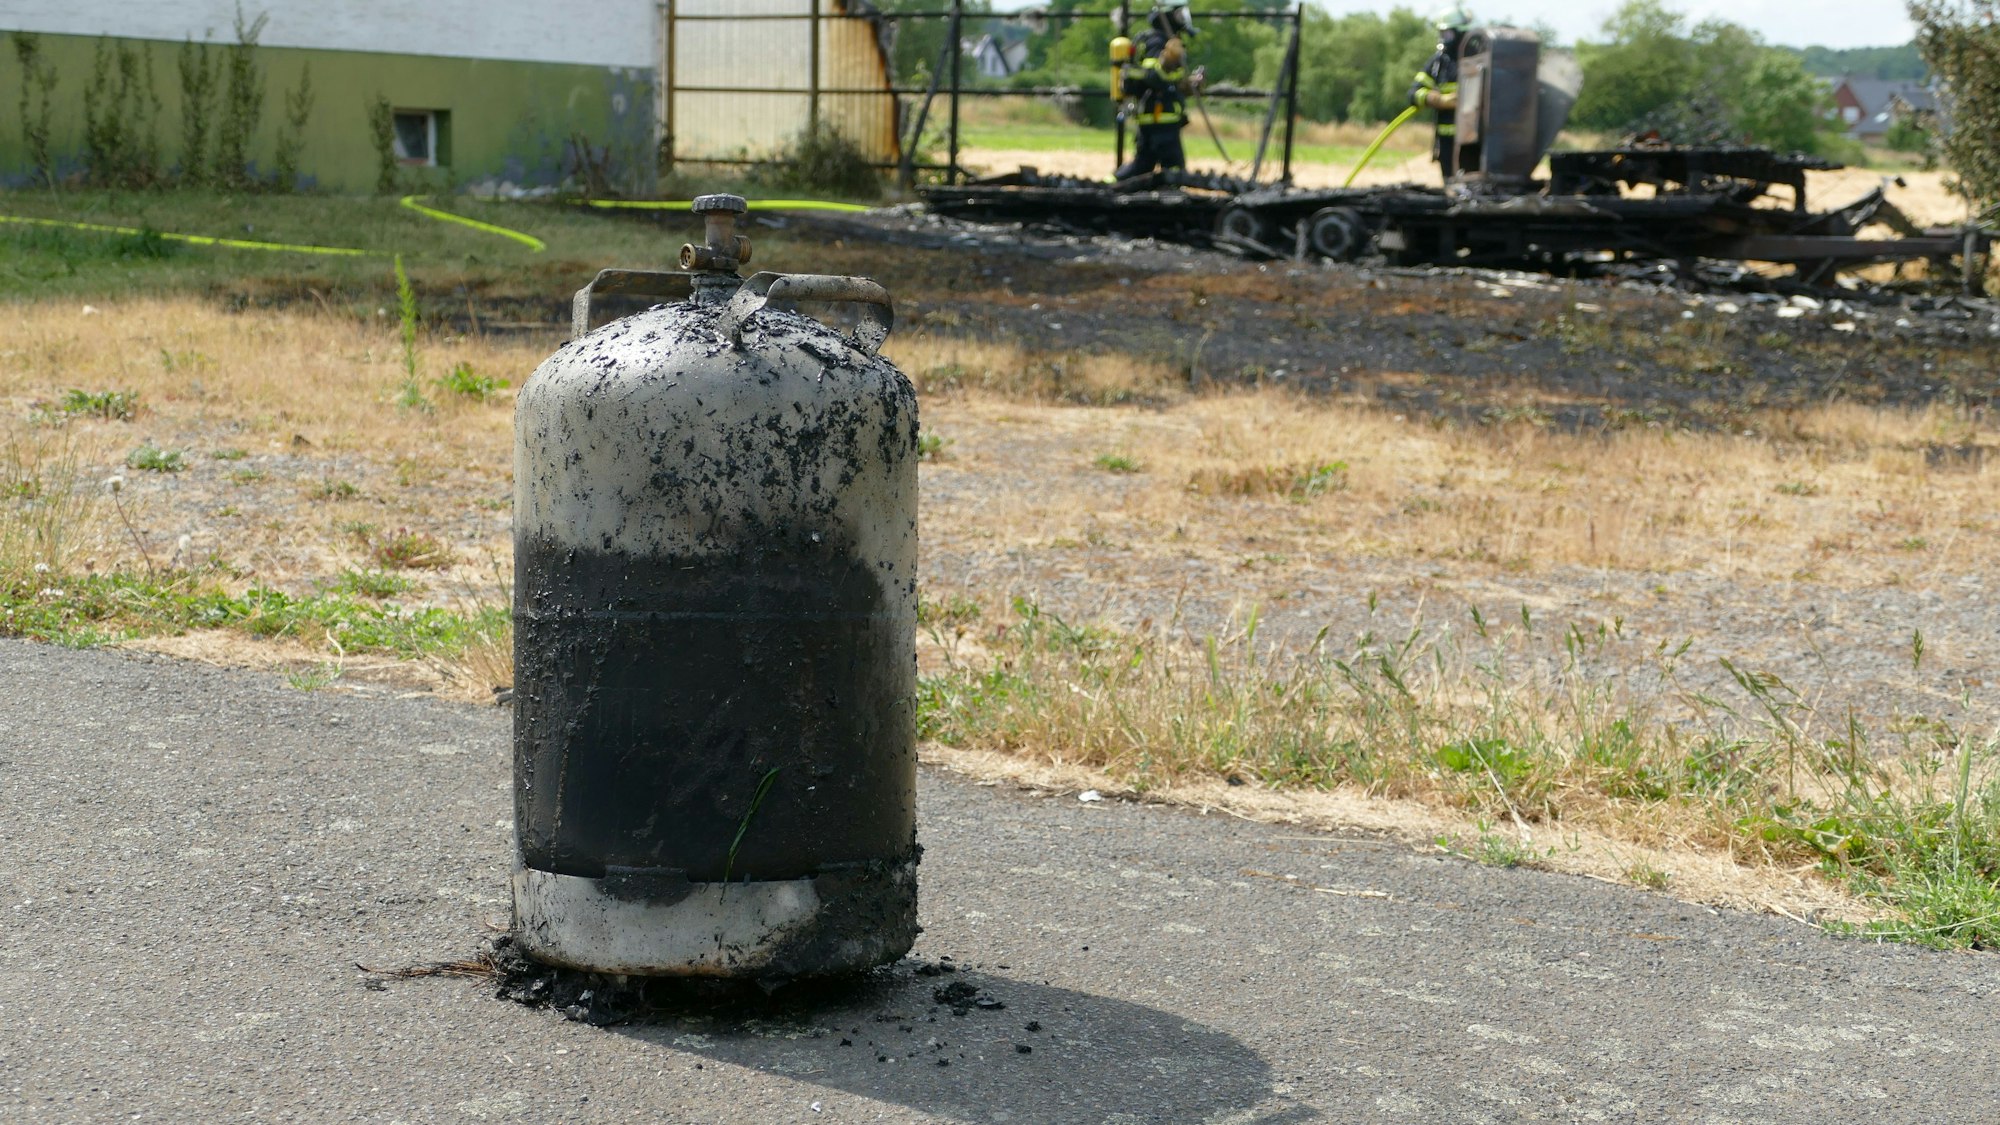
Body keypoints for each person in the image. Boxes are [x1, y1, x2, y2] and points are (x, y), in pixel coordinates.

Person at [1115, 12, 1206, 180]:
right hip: (1161, 118)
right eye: (1179, 14)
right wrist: (1168, 62)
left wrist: (1189, 83)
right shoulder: (1157, 42)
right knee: (1174, 172)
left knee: (1142, 166)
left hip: (1157, 118)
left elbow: (1170, 82)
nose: (1183, 18)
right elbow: (1154, 77)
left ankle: (1111, 186)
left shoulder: (1163, 40)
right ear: (1168, 17)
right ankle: (1110, 187)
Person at [1410, 6, 1472, 180]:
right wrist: (1435, 99)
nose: (1444, 39)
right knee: (1450, 188)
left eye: (1448, 34)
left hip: (1473, 144)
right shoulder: (1439, 63)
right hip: (1446, 144)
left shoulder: (1478, 57)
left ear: (1460, 33)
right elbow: (1413, 93)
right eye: (1442, 33)